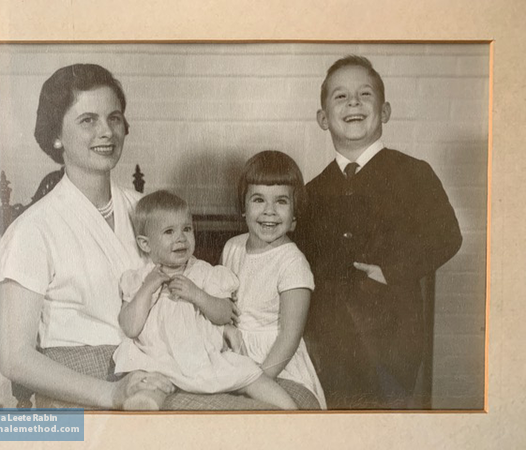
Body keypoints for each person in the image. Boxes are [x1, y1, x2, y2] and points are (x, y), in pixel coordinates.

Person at [0, 64, 180, 409]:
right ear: (56, 135)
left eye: (114, 118)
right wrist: (110, 393)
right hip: (76, 389)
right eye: (88, 120)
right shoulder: (31, 230)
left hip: (152, 373)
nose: (107, 132)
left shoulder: (147, 212)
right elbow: (13, 356)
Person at [294, 55, 463, 408]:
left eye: (365, 94)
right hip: (326, 346)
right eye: (340, 96)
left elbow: (446, 235)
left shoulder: (414, 174)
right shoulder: (310, 191)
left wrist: (392, 271)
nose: (353, 102)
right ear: (323, 119)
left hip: (391, 346)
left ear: (384, 111)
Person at [113, 190, 298, 410]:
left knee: (249, 373)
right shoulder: (139, 279)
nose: (181, 238)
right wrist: (148, 288)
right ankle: (146, 404)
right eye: (169, 231)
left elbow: (224, 314)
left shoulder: (204, 273)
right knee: (150, 383)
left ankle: (291, 411)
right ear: (145, 244)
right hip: (158, 358)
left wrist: (196, 294)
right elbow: (130, 327)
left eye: (187, 229)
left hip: (202, 357)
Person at [221, 151, 327, 409]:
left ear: (294, 214)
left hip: (276, 363)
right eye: (258, 200)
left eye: (281, 201)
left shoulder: (292, 263)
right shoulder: (232, 248)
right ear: (243, 208)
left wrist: (258, 380)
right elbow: (223, 305)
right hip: (235, 354)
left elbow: (289, 337)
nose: (269, 212)